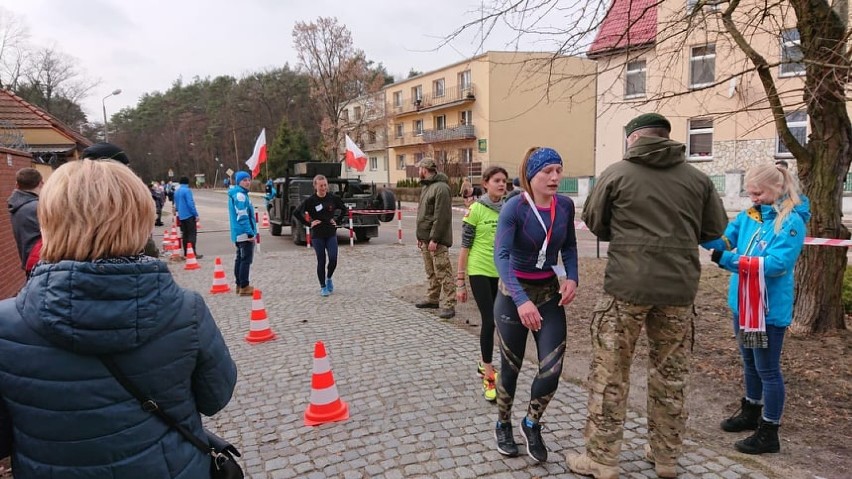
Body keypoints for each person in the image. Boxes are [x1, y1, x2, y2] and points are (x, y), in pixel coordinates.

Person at [0, 158, 237, 478]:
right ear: (138, 220)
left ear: (48, 222)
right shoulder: (185, 310)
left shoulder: (6, 325)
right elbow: (215, 397)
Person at [568, 113, 727, 479]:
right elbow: (713, 230)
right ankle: (666, 457)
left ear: (634, 138)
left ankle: (603, 459)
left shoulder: (617, 173)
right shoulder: (699, 180)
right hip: (678, 290)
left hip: (627, 286)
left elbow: (595, 222)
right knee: (670, 375)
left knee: (611, 373)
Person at [705, 163, 808, 455]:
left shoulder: (790, 221)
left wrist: (727, 260)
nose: (754, 198)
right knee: (750, 362)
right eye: (750, 193)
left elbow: (777, 265)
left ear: (777, 189)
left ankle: (769, 430)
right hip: (746, 306)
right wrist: (698, 231)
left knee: (768, 369)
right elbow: (725, 239)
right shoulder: (751, 213)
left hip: (766, 311)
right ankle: (751, 409)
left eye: (758, 193)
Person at [492, 147, 578, 463]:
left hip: (548, 294)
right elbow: (500, 256)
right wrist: (521, 300)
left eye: (559, 169)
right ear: (532, 175)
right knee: (510, 369)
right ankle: (503, 424)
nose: (555, 177)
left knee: (552, 369)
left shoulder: (566, 206)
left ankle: (532, 422)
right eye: (548, 171)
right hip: (513, 294)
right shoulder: (515, 208)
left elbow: (568, 246)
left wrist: (573, 278)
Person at [455, 166, 508, 402]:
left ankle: (485, 362)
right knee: (489, 320)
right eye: (497, 180)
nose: (502, 184)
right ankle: (488, 373)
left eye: (504, 181)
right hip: (479, 270)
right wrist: (460, 281)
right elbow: (464, 247)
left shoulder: (508, 209)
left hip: (502, 272)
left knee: (503, 320)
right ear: (485, 183)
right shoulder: (475, 210)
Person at [414, 158, 456, 319]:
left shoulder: (441, 188)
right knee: (431, 271)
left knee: (443, 272)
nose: (419, 172)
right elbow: (424, 214)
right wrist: (421, 237)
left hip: (436, 240)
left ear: (424, 169)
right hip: (426, 239)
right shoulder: (427, 187)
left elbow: (441, 216)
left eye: (420, 169)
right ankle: (433, 298)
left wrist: (435, 239)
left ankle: (449, 304)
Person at [294, 174, 348, 297]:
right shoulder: (310, 201)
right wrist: (309, 223)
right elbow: (296, 213)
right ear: (315, 186)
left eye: (325, 185)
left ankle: (329, 278)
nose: (323, 188)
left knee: (333, 258)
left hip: (330, 232)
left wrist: (337, 221)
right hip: (317, 234)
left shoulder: (332, 198)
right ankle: (323, 286)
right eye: (321, 186)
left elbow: (344, 209)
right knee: (321, 260)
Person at [7, 168, 43, 277]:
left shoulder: (17, 206)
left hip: (29, 263)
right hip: (43, 264)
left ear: (17, 185)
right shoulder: (39, 208)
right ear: (41, 183)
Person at [228, 171, 258, 296]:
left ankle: (239, 285)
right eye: (244, 180)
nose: (248, 182)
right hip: (244, 233)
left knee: (240, 259)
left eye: (249, 180)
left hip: (238, 233)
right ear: (238, 181)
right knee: (245, 260)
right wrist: (250, 233)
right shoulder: (240, 196)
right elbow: (243, 217)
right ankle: (244, 286)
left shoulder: (238, 194)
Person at [173, 176, 202, 259]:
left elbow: (176, 204)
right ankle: (192, 253)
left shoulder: (177, 192)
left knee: (185, 235)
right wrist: (195, 214)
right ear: (187, 183)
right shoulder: (187, 191)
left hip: (181, 216)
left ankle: (186, 253)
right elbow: (190, 203)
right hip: (189, 215)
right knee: (192, 234)